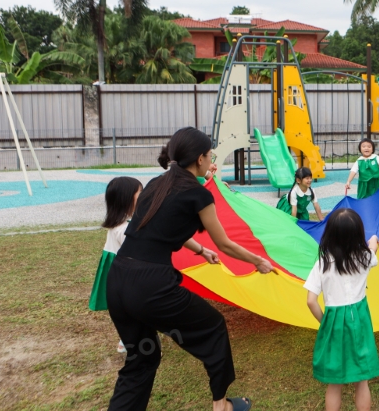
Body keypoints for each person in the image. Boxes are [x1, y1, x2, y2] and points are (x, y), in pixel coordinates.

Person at [106, 127, 274, 411]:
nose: (211, 162)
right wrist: (258, 261)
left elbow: (161, 227)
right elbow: (225, 243)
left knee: (142, 359)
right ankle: (222, 406)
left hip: (119, 279)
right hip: (151, 287)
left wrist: (199, 249)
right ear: (200, 159)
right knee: (214, 328)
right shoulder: (197, 194)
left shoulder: (155, 185)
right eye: (210, 156)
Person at [304, 208, 379, 411]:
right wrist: (373, 240)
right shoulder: (364, 257)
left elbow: (311, 300)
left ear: (329, 234)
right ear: (357, 235)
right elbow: (373, 248)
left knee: (334, 381)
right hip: (359, 320)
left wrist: (325, 323)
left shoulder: (322, 263)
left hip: (334, 321)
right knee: (361, 380)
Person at [89, 176, 143, 353]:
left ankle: (128, 339)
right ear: (126, 200)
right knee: (136, 308)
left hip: (119, 273)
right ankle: (132, 342)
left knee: (129, 309)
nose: (144, 197)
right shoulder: (125, 229)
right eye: (140, 194)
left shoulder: (120, 223)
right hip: (127, 274)